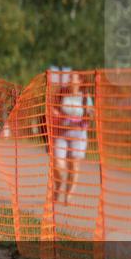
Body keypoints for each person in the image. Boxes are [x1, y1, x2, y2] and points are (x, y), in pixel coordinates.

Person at [48, 67, 94, 205]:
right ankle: (58, 186)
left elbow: (92, 113)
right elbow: (52, 107)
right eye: (68, 77)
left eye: (71, 77)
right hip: (61, 133)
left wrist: (89, 113)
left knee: (74, 166)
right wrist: (54, 112)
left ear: (79, 81)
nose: (68, 80)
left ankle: (68, 194)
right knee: (58, 164)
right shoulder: (62, 93)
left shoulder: (85, 96)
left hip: (78, 134)